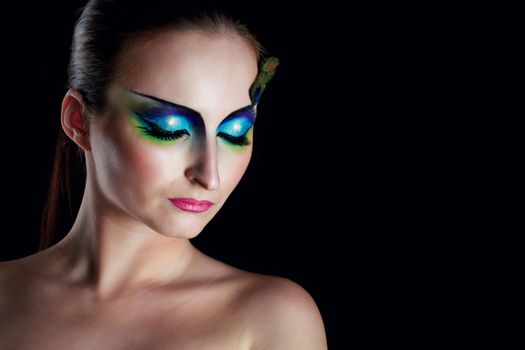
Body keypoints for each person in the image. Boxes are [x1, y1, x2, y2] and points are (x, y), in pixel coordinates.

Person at [0, 0, 327, 348]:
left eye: (233, 134)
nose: (209, 176)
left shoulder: (273, 320)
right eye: (169, 129)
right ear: (78, 120)